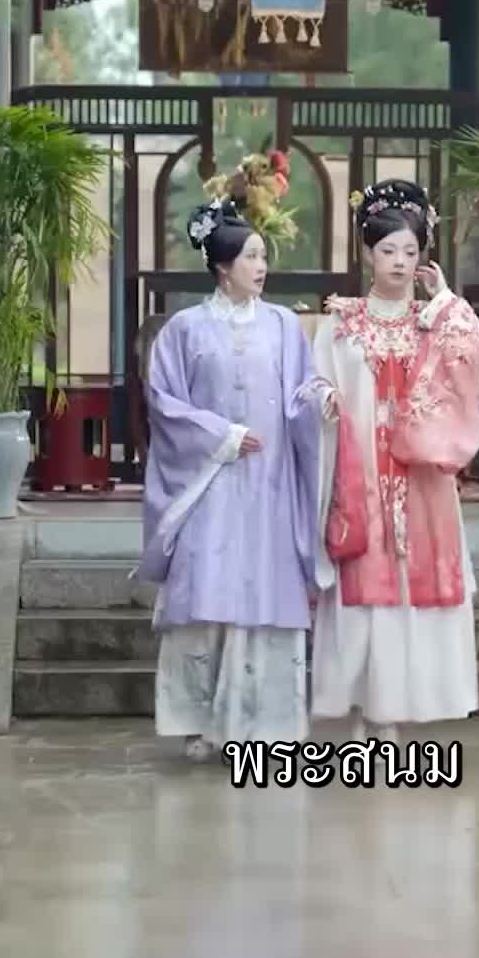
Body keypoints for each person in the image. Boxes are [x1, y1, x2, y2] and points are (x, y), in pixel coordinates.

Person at [138, 198, 322, 761]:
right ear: (222, 266)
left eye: (264, 256)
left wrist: (321, 401)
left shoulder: (284, 325)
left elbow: (302, 391)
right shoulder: (184, 330)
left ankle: (265, 727)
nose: (261, 267)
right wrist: (221, 435)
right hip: (210, 483)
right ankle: (201, 722)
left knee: (264, 591)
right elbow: (163, 403)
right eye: (251, 257)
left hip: (270, 482)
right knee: (206, 589)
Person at [311, 179, 479, 740]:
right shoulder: (343, 322)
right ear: (368, 253)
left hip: (420, 477)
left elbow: (469, 353)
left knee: (414, 582)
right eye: (388, 250)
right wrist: (324, 398)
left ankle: (399, 704)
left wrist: (445, 299)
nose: (399, 262)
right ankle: (363, 705)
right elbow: (314, 381)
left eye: (410, 251)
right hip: (360, 469)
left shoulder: (435, 318)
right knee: (366, 583)